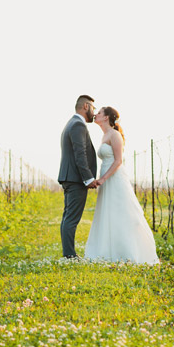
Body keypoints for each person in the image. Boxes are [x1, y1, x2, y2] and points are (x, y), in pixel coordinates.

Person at [84, 106, 159, 265]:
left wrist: (103, 179)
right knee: (107, 212)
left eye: (99, 113)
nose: (96, 114)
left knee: (121, 212)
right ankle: (106, 250)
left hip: (114, 178)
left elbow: (118, 161)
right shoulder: (104, 136)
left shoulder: (115, 135)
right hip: (106, 177)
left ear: (106, 117)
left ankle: (128, 251)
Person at [58, 95, 99, 259]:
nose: (94, 113)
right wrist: (88, 179)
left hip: (69, 177)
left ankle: (68, 254)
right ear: (86, 106)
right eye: (94, 109)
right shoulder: (77, 125)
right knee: (71, 219)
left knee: (68, 217)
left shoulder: (71, 123)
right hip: (75, 179)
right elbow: (80, 154)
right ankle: (69, 256)